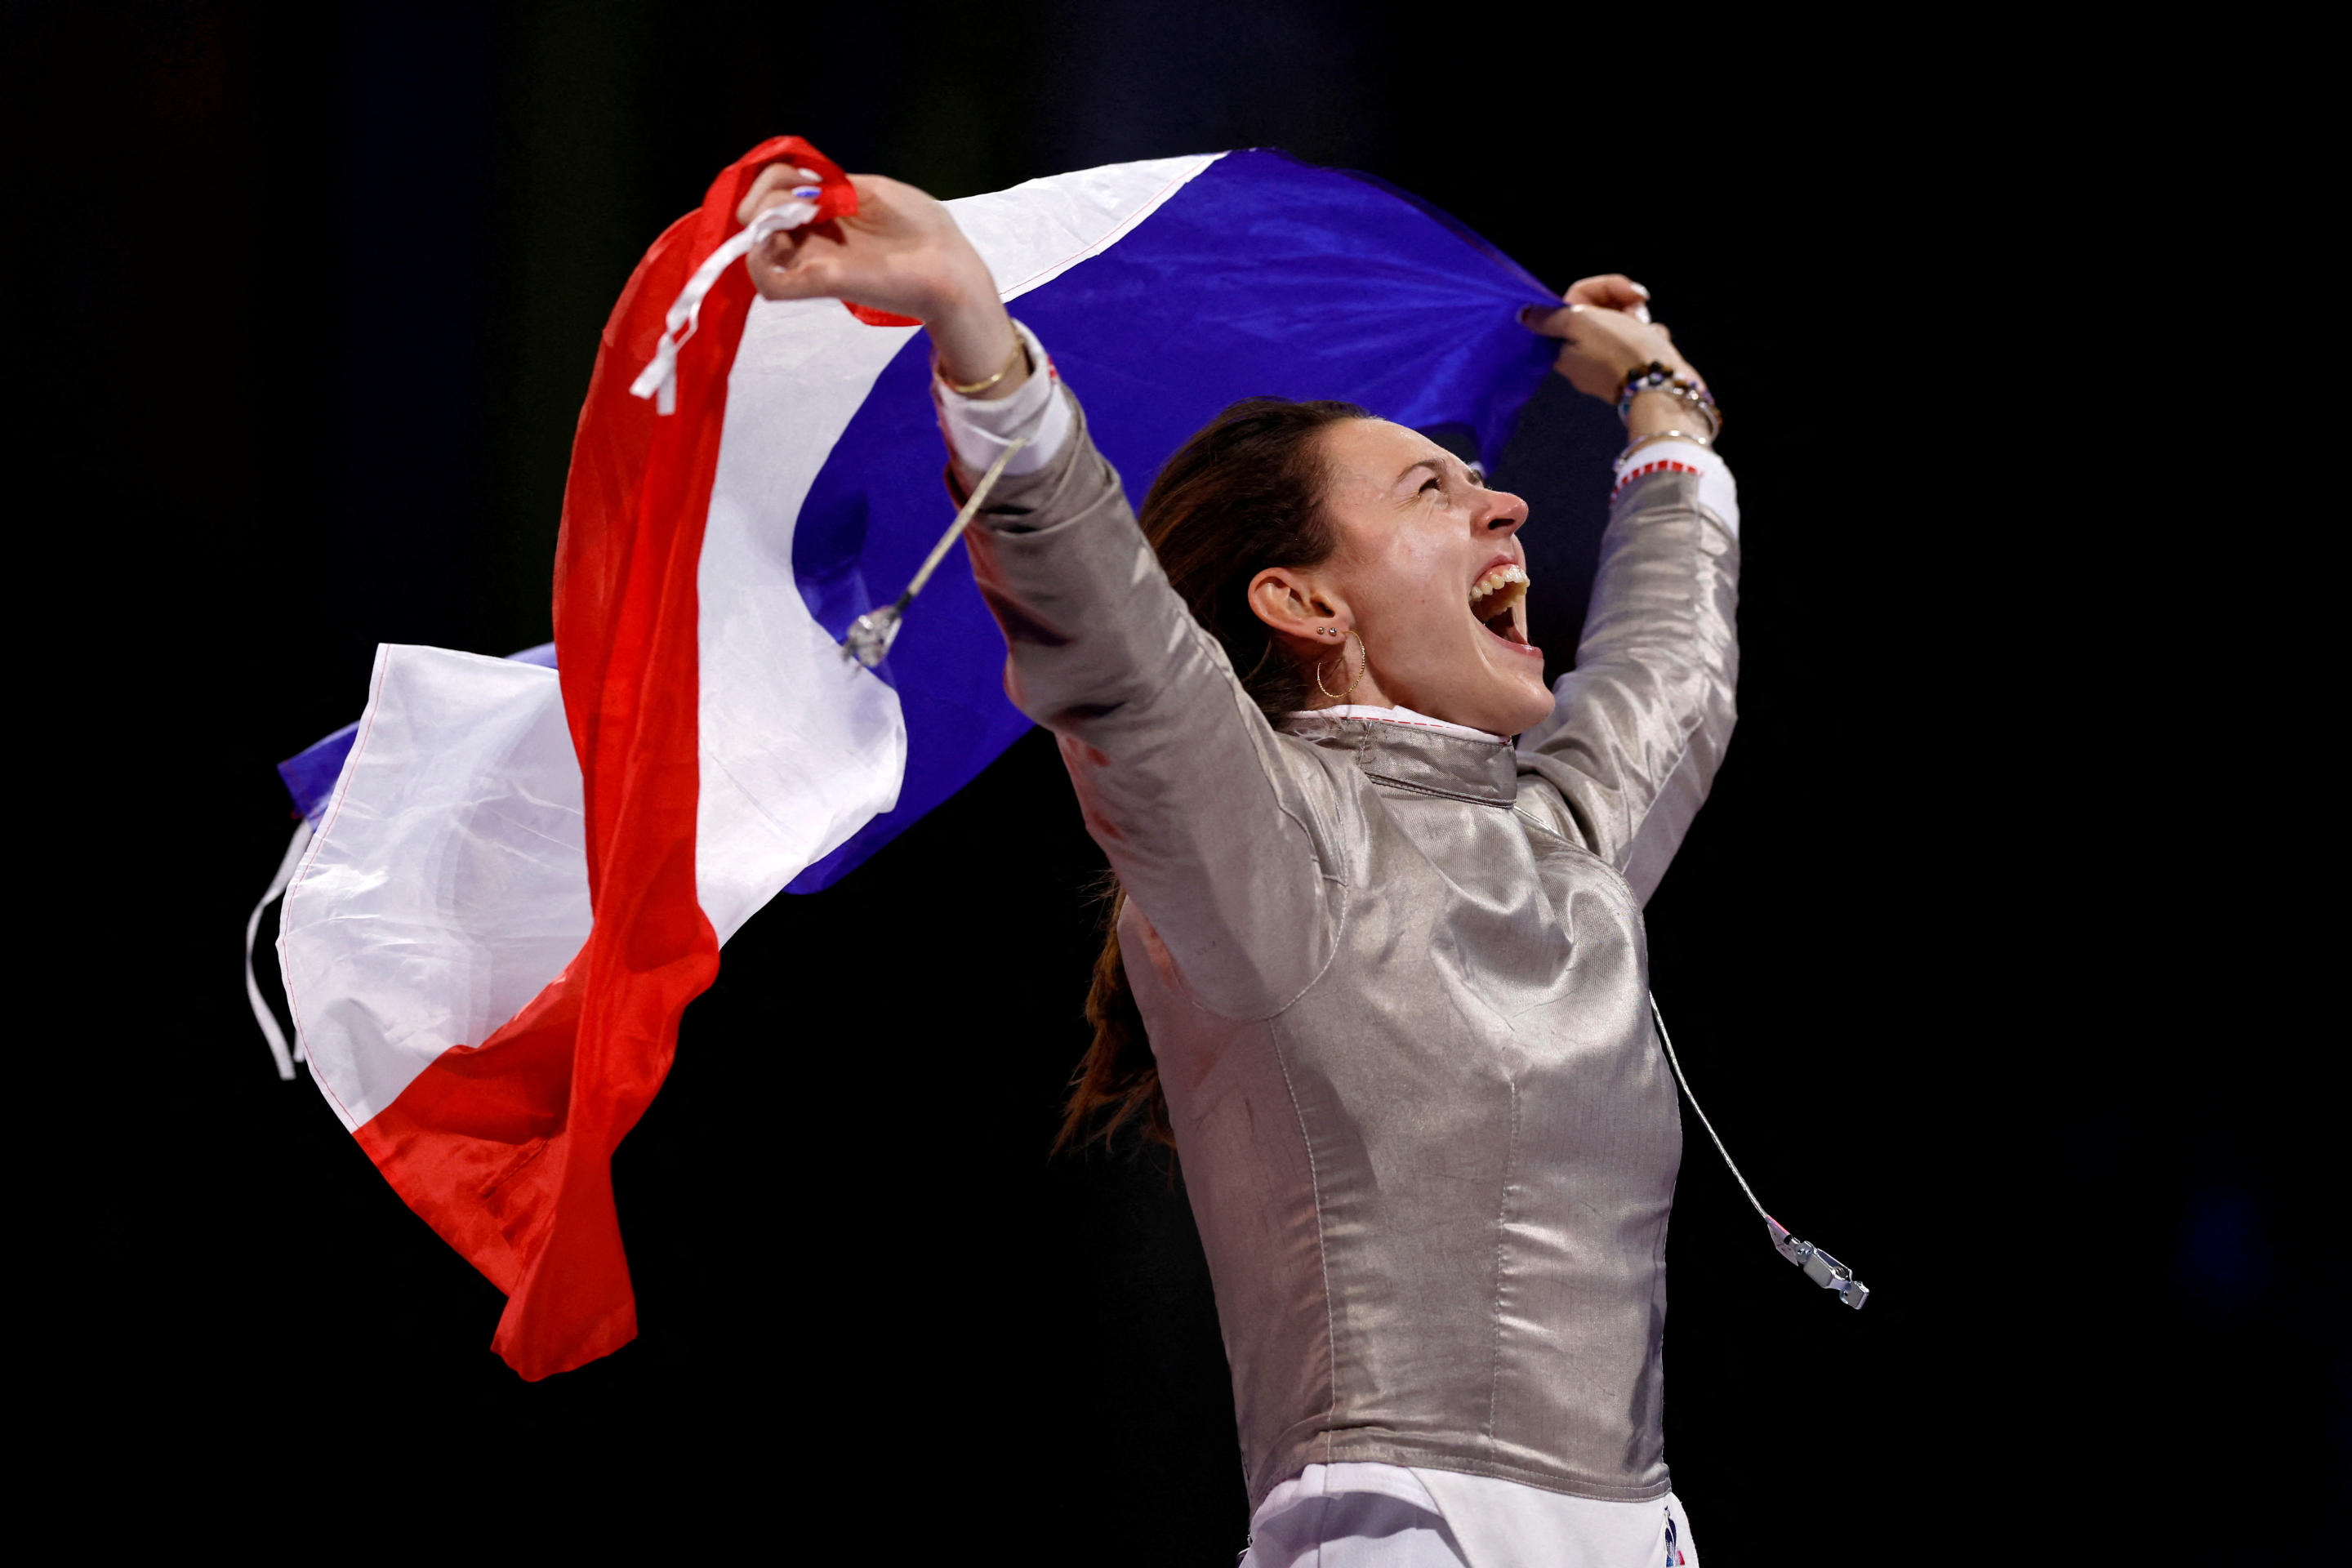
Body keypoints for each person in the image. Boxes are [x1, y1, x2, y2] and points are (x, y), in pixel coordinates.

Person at [737, 163, 1738, 1567]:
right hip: (1409, 1539)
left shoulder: (1556, 849)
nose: (1506, 509)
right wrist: (972, 323)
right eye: (1434, 490)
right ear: (1303, 601)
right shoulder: (1268, 844)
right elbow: (1109, 632)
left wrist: (1664, 402)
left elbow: (1674, 672)